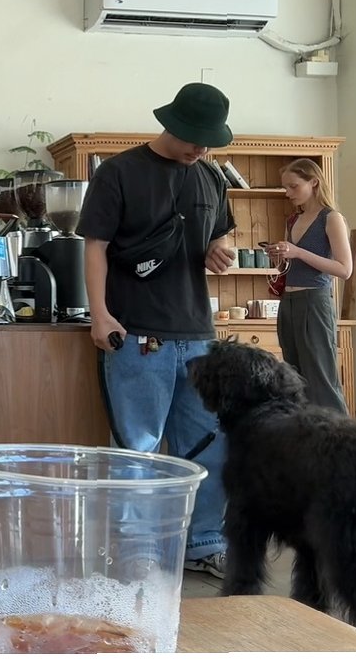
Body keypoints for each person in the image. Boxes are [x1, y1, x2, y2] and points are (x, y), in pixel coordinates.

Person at [77, 82, 237, 579]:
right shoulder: (119, 173)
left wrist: (220, 252)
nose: (201, 149)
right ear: (170, 123)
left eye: (209, 141)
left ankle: (204, 542)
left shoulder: (210, 177)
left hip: (199, 332)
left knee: (208, 444)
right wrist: (100, 314)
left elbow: (220, 235)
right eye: (194, 138)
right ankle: (137, 549)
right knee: (137, 449)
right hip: (137, 334)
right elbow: (96, 246)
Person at [267, 158, 353, 414]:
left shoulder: (331, 218)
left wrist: (298, 252)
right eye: (285, 187)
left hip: (315, 303)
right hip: (289, 303)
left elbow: (344, 269)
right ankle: (304, 434)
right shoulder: (293, 220)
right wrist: (280, 257)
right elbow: (291, 266)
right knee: (293, 381)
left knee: (322, 381)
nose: (288, 193)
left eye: (293, 186)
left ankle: (341, 436)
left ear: (314, 182)